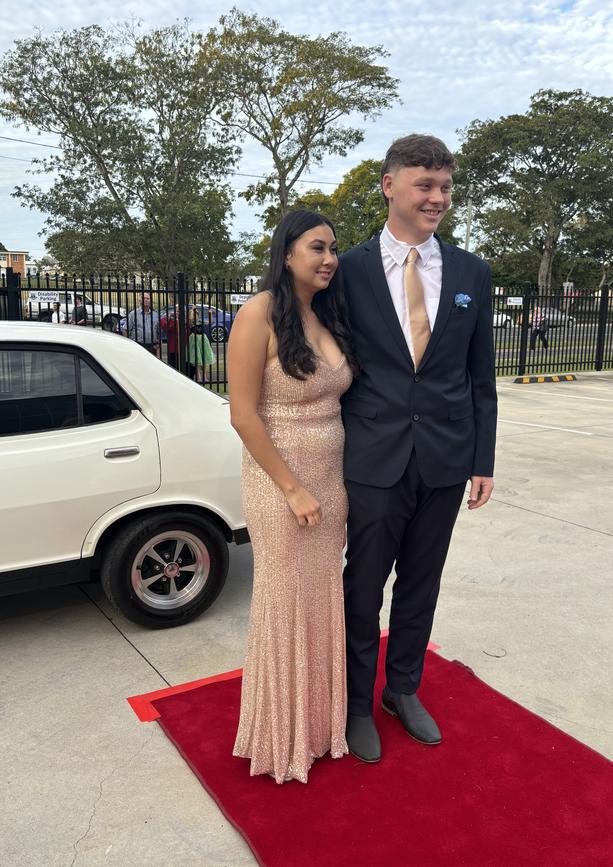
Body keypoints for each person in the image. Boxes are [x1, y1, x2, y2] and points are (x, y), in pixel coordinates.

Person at [339, 134, 498, 762]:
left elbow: (479, 376)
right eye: (424, 185)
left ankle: (401, 689)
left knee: (421, 584)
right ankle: (355, 701)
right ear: (390, 185)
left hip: (445, 457)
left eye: (445, 187)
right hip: (373, 457)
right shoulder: (345, 270)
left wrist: (481, 459)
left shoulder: (470, 272)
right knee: (362, 586)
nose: (437, 198)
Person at [228, 210, 358, 784]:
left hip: (332, 480)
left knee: (322, 598)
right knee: (286, 600)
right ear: (286, 254)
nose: (329, 258)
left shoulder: (325, 313)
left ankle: (319, 725)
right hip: (282, 483)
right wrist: (292, 487)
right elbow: (243, 415)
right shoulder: (258, 312)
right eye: (316, 248)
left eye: (332, 248)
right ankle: (281, 735)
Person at [126, 291, 160, 356]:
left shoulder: (155, 315)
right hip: (138, 346)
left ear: (150, 300)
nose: (146, 300)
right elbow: (126, 330)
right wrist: (129, 345)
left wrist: (158, 347)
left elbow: (158, 332)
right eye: (144, 298)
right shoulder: (133, 314)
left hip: (152, 347)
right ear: (139, 300)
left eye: (148, 298)